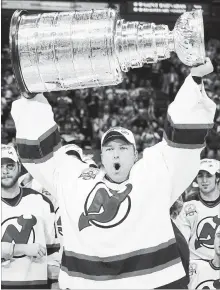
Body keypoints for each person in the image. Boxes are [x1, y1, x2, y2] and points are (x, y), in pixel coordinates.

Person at [11, 58, 216, 289]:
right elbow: (43, 155)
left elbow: (180, 146)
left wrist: (195, 80)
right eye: (109, 149)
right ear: (101, 157)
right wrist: (31, 96)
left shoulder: (154, 173)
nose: (115, 154)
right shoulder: (77, 181)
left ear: (135, 154)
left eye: (122, 148)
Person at [1, 145, 61, 289]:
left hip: (36, 285)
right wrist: (22, 249)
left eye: (10, 166)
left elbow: (53, 252)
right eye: (0, 166)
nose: (5, 171)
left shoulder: (41, 202)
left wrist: (54, 284)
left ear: (19, 166)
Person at [175, 158, 220, 261]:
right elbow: (181, 245)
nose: (204, 181)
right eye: (200, 176)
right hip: (197, 268)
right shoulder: (187, 208)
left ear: (217, 178)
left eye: (208, 176)